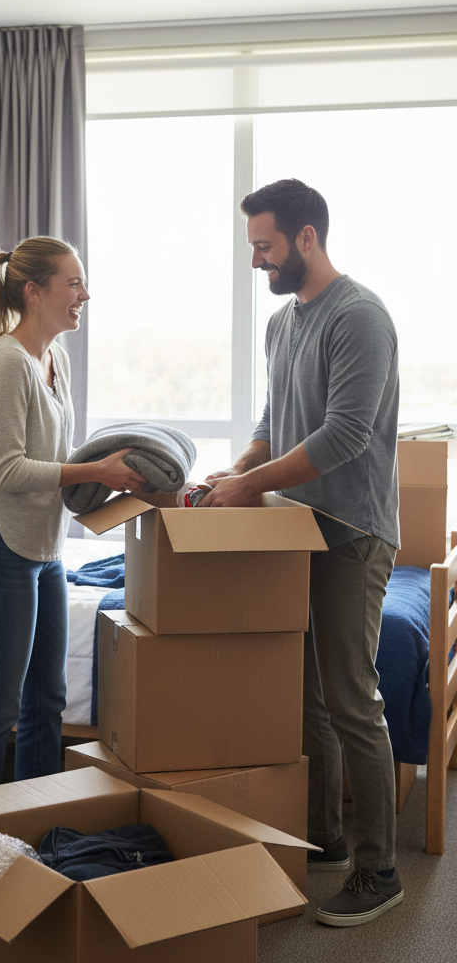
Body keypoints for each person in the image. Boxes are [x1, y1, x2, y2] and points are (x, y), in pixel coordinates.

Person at [201, 179, 402, 927]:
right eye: (254, 245)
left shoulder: (360, 318)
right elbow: (274, 419)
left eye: (265, 245)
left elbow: (345, 435)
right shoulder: (284, 324)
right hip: (299, 530)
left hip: (353, 535)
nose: (257, 259)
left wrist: (253, 482)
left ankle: (381, 871)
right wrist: (237, 470)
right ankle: (325, 838)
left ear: (306, 239)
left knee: (353, 700)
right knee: (307, 699)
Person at [0, 236, 147, 794]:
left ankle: (32, 824)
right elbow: (9, 472)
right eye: (74, 283)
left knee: (46, 698)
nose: (86, 294)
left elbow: (61, 463)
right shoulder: (7, 362)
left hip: (43, 550)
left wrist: (118, 483)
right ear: (35, 293)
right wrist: (94, 473)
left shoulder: (51, 358)